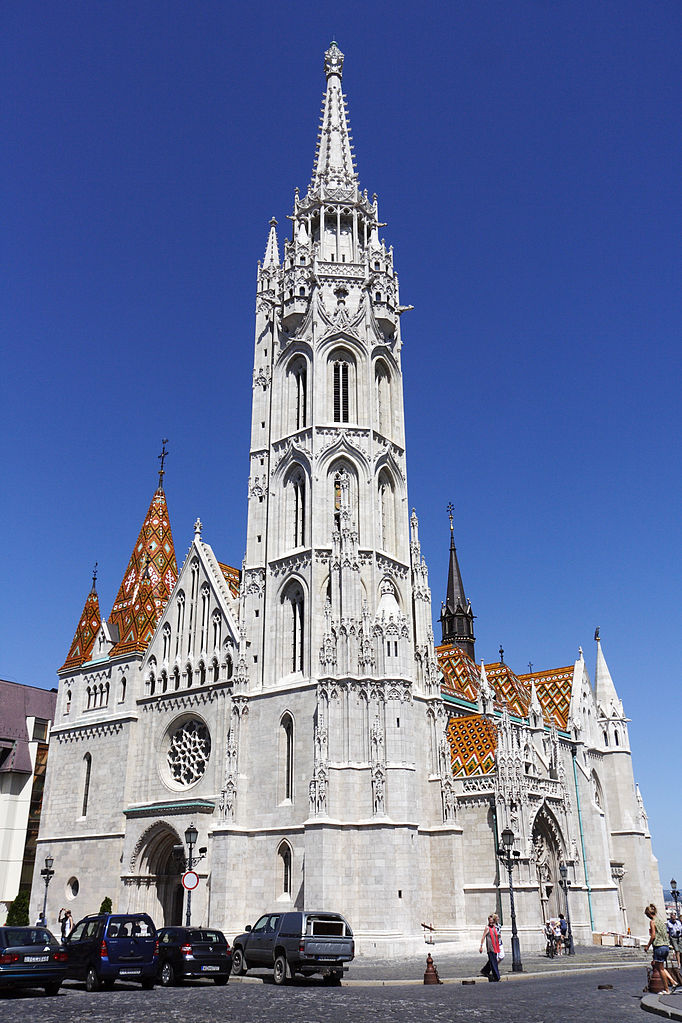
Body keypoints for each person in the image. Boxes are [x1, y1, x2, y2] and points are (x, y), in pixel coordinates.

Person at [644, 904, 677, 993]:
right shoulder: (661, 921)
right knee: (660, 967)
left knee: (660, 968)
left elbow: (653, 935)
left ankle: (667, 989)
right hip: (666, 946)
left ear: (649, 914)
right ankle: (673, 981)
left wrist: (647, 946)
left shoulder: (653, 921)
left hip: (659, 946)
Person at [479, 913, 501, 981]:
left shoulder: (494, 927)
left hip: (495, 947)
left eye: (492, 921)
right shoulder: (487, 928)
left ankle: (485, 971)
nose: (491, 923)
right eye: (490, 921)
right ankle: (497, 977)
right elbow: (483, 937)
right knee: (493, 962)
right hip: (490, 948)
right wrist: (481, 946)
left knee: (493, 961)